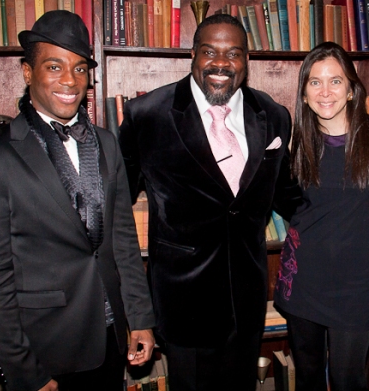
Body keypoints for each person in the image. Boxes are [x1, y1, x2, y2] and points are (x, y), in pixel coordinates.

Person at [0, 11, 155, 391]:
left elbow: (122, 243)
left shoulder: (106, 143)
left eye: (80, 69)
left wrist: (141, 317)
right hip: (44, 350)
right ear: (27, 72)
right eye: (54, 66)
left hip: (111, 340)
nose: (70, 80)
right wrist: (24, 371)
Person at [118, 13, 302, 391]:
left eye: (233, 53)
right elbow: (117, 210)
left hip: (247, 300)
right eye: (209, 52)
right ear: (193, 55)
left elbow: (289, 195)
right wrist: (134, 309)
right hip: (183, 301)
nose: (221, 63)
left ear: (246, 61)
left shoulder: (273, 115)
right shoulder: (146, 116)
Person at [273, 42, 369, 390]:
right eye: (314, 82)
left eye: (335, 80)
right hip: (303, 281)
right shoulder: (294, 141)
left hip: (355, 285)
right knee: (309, 378)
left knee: (349, 380)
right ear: (303, 93)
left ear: (351, 89)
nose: (325, 91)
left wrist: (363, 220)